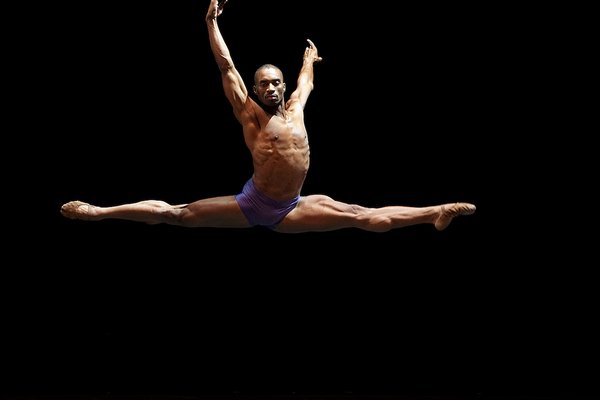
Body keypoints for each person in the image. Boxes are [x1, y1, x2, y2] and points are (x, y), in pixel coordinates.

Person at [60, 0, 475, 233]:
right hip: (254, 203)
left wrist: (309, 60)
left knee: (358, 215)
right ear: (256, 90)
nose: (272, 88)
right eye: (264, 84)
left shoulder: (296, 106)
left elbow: (306, 82)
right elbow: (226, 67)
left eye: (276, 82)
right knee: (178, 213)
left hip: (292, 207)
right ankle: (99, 211)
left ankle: (436, 211)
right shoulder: (251, 116)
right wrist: (211, 24)